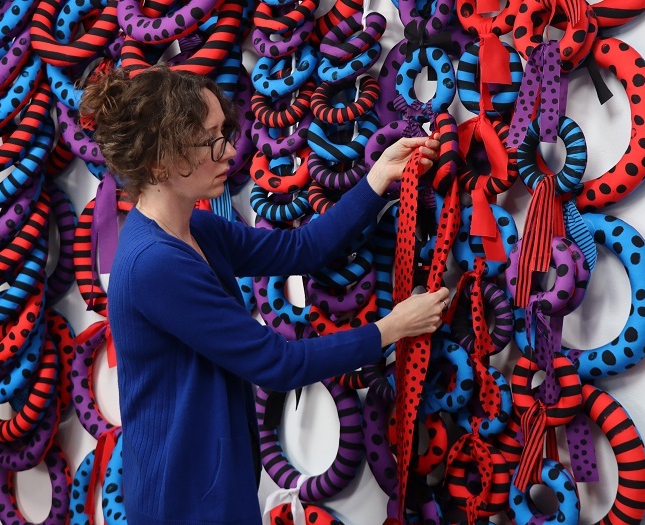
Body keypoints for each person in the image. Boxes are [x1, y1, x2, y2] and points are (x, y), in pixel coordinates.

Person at [80, 65, 449, 525]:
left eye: (225, 132)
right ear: (161, 161)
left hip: (213, 485)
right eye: (212, 140)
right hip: (183, 500)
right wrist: (390, 329)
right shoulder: (155, 264)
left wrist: (377, 180)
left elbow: (302, 248)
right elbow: (277, 363)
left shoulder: (195, 229)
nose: (231, 152)